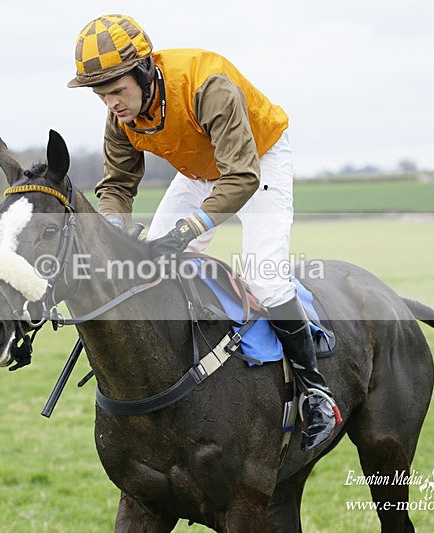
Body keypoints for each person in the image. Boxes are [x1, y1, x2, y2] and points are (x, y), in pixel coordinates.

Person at [67, 14, 340, 450]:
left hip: (258, 160)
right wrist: (113, 232)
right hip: (200, 171)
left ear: (143, 71)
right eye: (102, 96)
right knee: (145, 268)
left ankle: (317, 393)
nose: (113, 104)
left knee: (266, 279)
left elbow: (241, 177)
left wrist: (188, 229)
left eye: (118, 91)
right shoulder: (119, 117)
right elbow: (117, 186)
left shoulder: (206, 86)